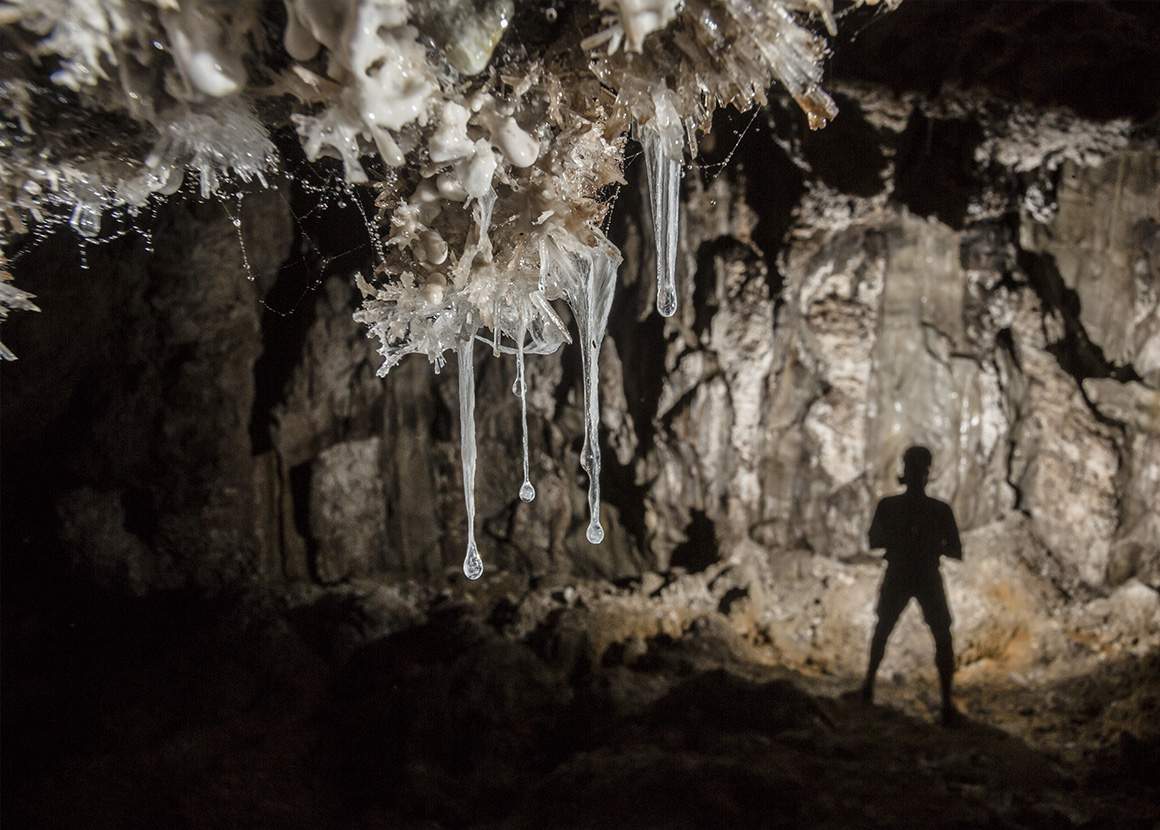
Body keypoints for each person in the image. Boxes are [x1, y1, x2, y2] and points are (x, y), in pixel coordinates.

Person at [860, 445, 962, 725]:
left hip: (904, 572)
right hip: (921, 573)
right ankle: (946, 703)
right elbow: (955, 550)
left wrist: (904, 542)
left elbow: (874, 541)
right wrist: (929, 545)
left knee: (886, 628)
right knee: (938, 634)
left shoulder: (890, 506)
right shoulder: (938, 510)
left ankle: (868, 687)